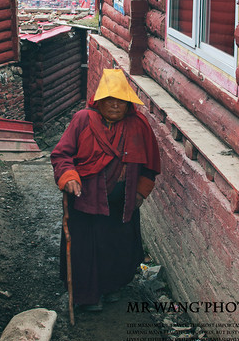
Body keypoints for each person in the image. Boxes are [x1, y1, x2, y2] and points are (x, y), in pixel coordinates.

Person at [51, 68, 161, 311]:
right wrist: (68, 176)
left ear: (128, 104)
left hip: (121, 203)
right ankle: (87, 297)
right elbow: (62, 155)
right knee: (84, 250)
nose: (115, 106)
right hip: (84, 201)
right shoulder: (82, 120)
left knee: (117, 248)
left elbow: (150, 166)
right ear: (98, 101)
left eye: (121, 101)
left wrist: (140, 194)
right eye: (110, 100)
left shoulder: (138, 125)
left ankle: (113, 287)